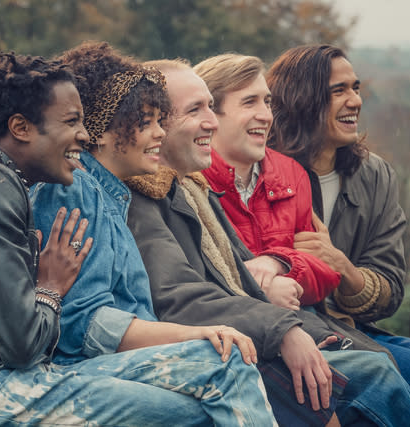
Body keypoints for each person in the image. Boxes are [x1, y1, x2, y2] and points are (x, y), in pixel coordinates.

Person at [0, 51, 254, 427]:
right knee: (206, 396)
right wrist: (51, 287)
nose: (83, 136)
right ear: (21, 128)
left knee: (210, 389)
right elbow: (24, 346)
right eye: (72, 121)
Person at [126, 58, 410, 426]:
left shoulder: (248, 180)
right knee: (380, 378)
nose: (210, 120)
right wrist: (286, 327)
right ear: (152, 125)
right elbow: (186, 297)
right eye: (198, 109)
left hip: (290, 324)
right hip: (237, 343)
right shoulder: (174, 189)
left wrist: (282, 267)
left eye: (268, 102)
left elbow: (317, 270)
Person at [30, 41, 277, 427]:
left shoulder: (113, 196)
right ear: (104, 130)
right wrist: (194, 334)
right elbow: (82, 323)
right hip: (75, 371)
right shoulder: (73, 189)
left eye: (160, 121)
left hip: (119, 366)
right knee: (226, 359)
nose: (160, 134)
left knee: (209, 395)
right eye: (145, 122)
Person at [266, 44, 410, 426]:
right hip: (304, 336)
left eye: (356, 88)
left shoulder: (374, 175)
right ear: (302, 100)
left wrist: (343, 268)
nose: (355, 100)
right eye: (339, 91)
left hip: (357, 328)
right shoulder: (269, 171)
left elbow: (389, 290)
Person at [196, 53, 340, 310]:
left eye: (267, 102)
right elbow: (187, 282)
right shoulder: (191, 180)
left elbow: (325, 273)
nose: (266, 116)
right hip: (233, 334)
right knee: (375, 354)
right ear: (210, 114)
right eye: (250, 102)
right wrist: (262, 291)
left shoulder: (291, 174)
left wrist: (277, 263)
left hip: (305, 323)